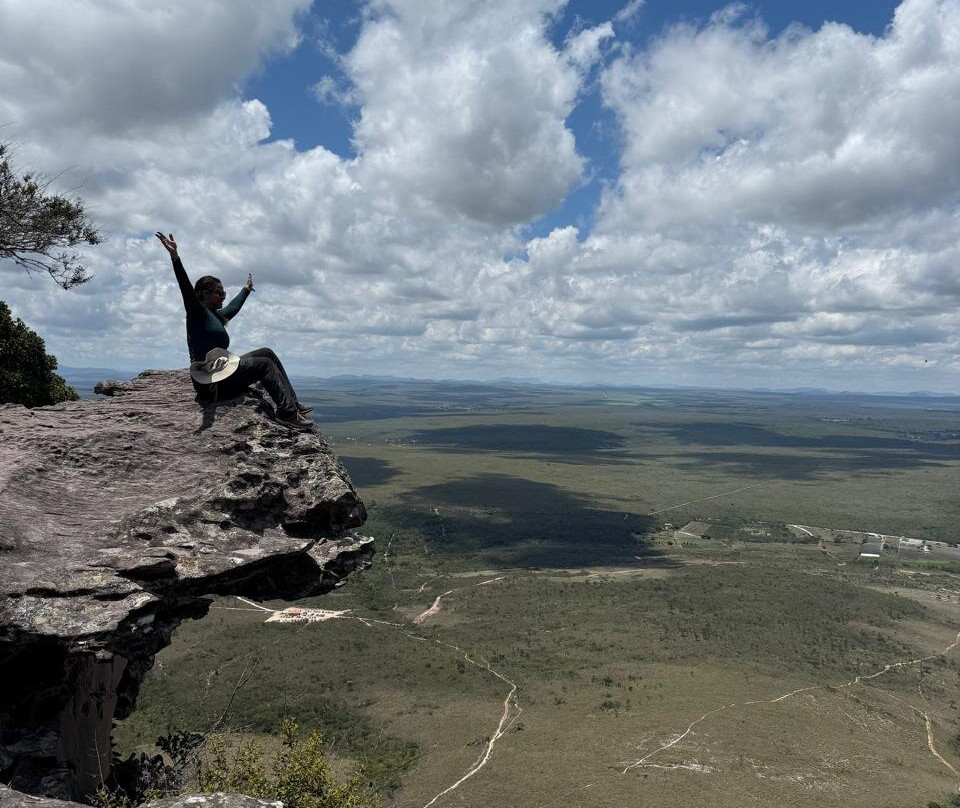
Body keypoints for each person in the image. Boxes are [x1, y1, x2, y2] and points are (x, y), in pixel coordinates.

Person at [156, 231, 314, 430]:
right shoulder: (196, 313)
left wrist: (246, 290)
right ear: (204, 293)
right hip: (211, 385)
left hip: (221, 374)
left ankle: (293, 404)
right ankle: (287, 414)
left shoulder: (216, 316)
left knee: (266, 353)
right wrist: (175, 257)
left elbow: (233, 307)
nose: (223, 296)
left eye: (224, 293)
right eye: (219, 293)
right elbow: (185, 287)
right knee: (264, 364)